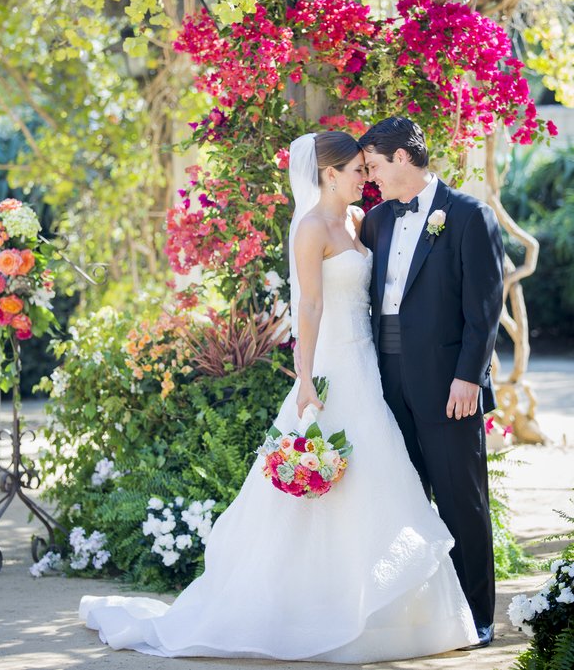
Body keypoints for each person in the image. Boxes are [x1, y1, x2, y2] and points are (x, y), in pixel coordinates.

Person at [79, 131, 478, 661]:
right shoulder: (311, 228)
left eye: (368, 168)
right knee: (337, 481)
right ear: (328, 174)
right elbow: (308, 308)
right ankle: (310, 609)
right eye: (357, 170)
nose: (366, 178)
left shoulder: (363, 222)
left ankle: (387, 611)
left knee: (379, 480)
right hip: (334, 364)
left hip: (371, 365)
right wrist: (306, 376)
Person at [358, 116, 504, 650]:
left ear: (401, 159)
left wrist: (470, 375)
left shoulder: (468, 215)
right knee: (402, 498)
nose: (370, 177)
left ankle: (476, 619)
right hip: (386, 382)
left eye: (374, 165)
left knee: (461, 499)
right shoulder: (374, 221)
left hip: (449, 386)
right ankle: (420, 615)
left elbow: (485, 307)